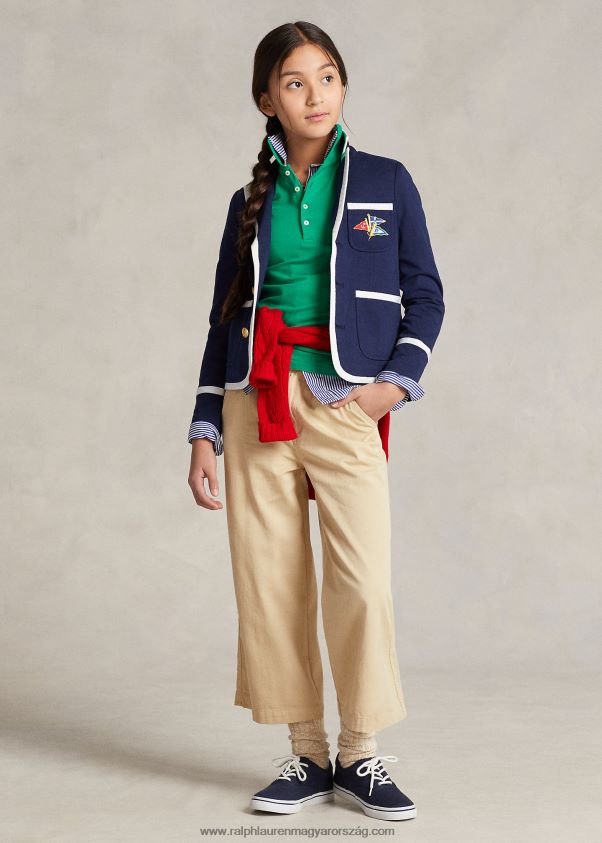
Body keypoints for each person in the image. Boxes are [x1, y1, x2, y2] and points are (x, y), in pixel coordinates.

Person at [187, 21, 445, 823]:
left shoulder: (385, 182)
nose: (315, 95)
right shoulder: (247, 202)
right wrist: (204, 426)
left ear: (343, 86)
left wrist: (390, 388)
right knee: (271, 581)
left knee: (361, 579)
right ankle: (306, 752)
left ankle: (360, 751)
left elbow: (426, 295)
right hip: (255, 398)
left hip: (344, 400)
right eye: (295, 82)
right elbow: (222, 318)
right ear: (267, 99)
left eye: (327, 76)